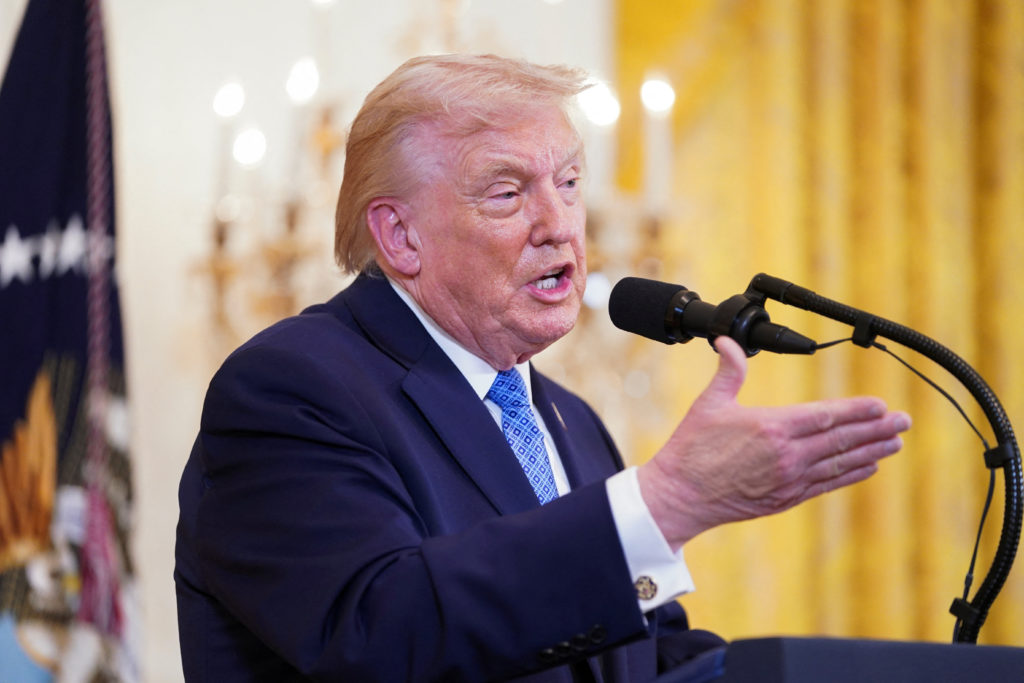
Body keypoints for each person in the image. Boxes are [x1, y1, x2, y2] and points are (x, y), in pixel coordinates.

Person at [174, 54, 911, 682]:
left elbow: (642, 656)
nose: (558, 223)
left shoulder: (570, 418)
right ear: (399, 236)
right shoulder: (291, 388)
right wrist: (662, 505)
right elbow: (380, 630)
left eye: (568, 182)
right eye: (507, 192)